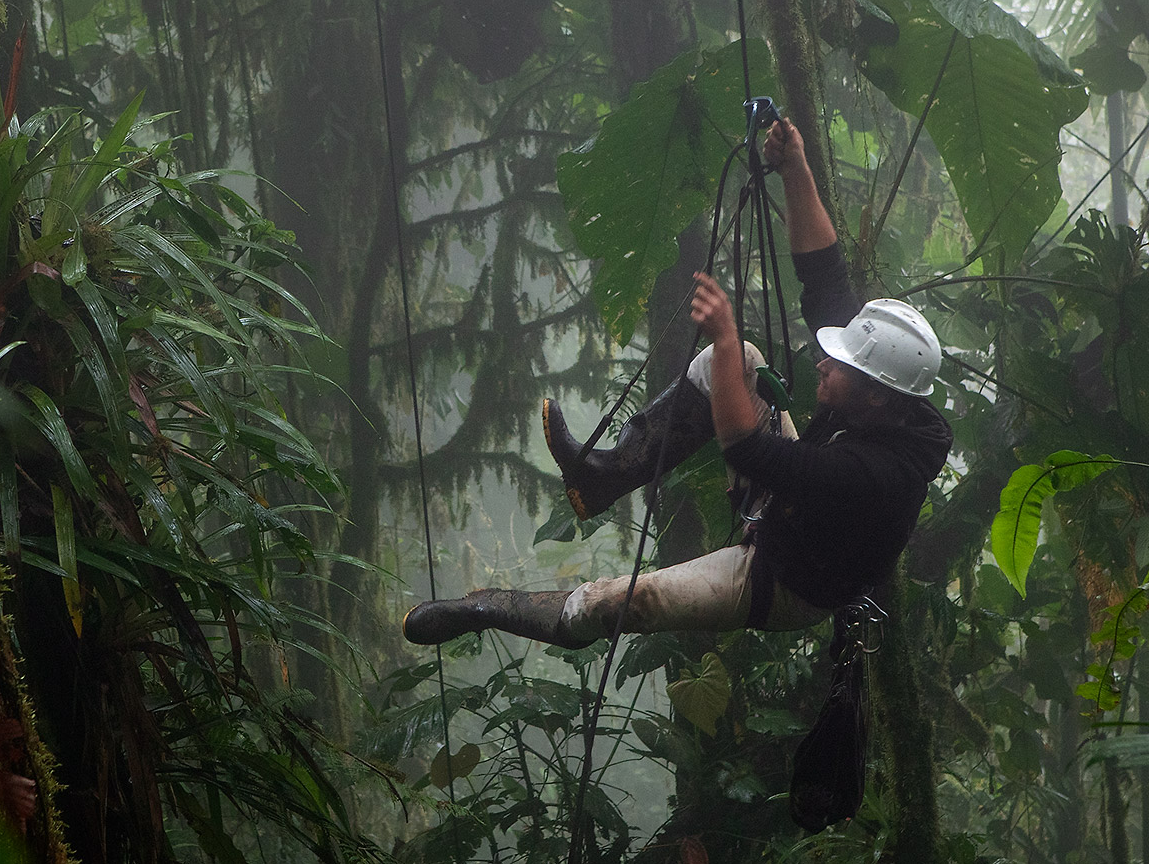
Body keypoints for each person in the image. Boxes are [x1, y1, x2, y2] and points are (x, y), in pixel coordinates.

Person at [402, 120, 953, 649]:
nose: (824, 364)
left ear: (877, 394)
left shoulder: (877, 475)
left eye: (840, 366)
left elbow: (750, 450)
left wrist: (727, 332)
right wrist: (796, 168)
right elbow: (825, 274)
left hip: (783, 580)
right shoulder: (887, 394)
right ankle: (603, 477)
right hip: (792, 500)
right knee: (735, 362)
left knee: (615, 603)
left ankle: (487, 608)